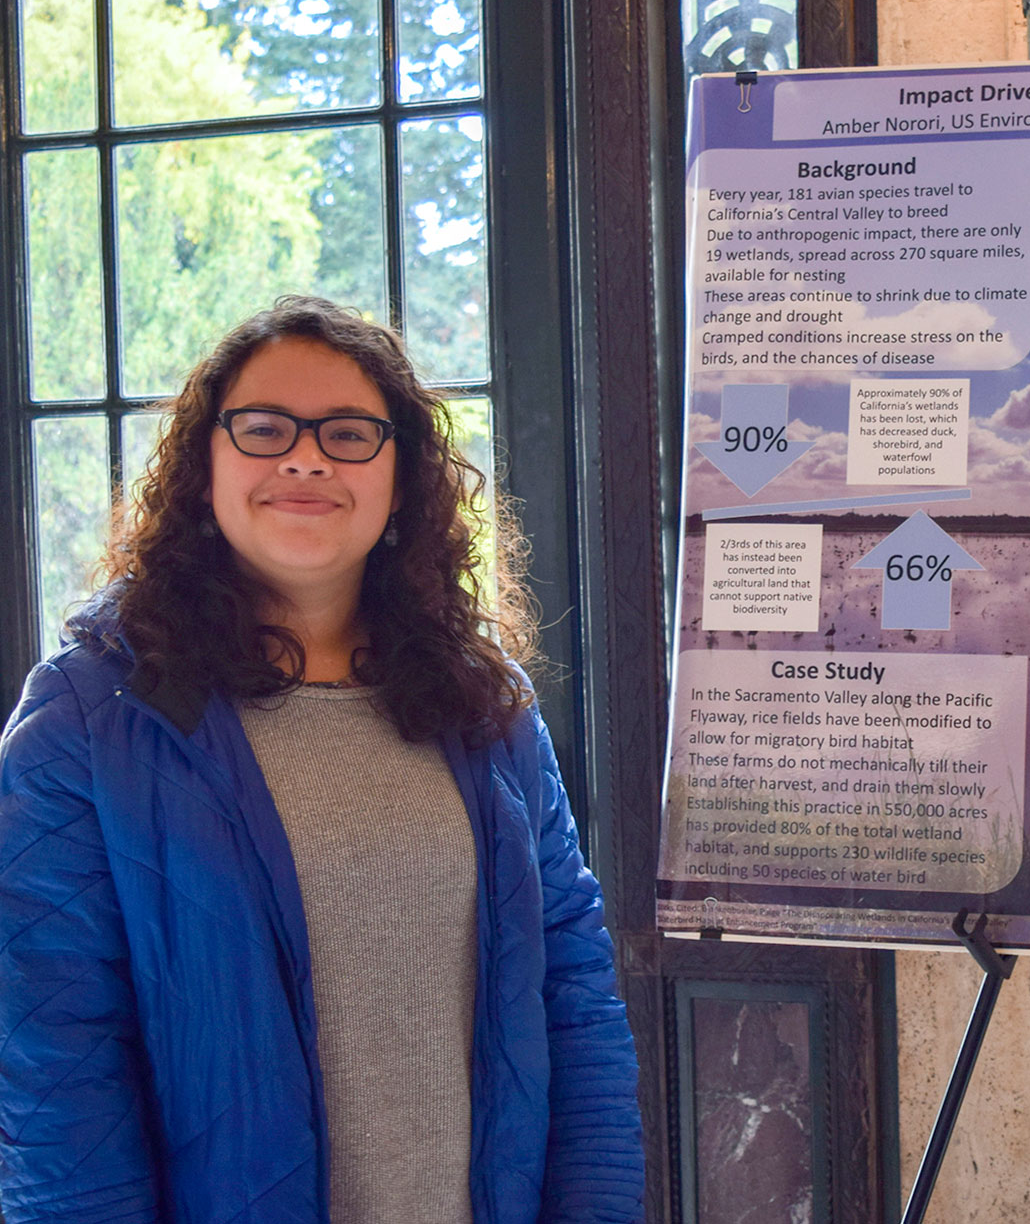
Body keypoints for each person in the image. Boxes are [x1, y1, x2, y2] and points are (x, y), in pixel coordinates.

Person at [0, 297, 645, 1222]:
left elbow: (575, 996)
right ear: (203, 466)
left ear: (402, 477)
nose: (304, 458)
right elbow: (50, 1066)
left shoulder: (485, 705)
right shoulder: (88, 716)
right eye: (264, 429)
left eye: (348, 433)